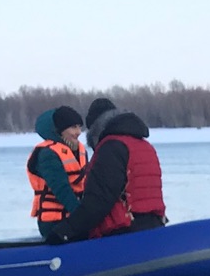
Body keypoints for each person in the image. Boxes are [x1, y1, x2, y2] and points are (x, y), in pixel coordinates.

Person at [50, 97, 166, 241]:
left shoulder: (111, 148)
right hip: (154, 229)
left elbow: (99, 200)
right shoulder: (144, 146)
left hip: (123, 234)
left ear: (95, 130)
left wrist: (65, 230)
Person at [26, 106, 88, 237]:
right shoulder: (47, 154)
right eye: (73, 127)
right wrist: (83, 219)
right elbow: (61, 189)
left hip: (74, 217)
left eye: (79, 127)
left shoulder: (80, 151)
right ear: (60, 131)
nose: (78, 132)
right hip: (54, 222)